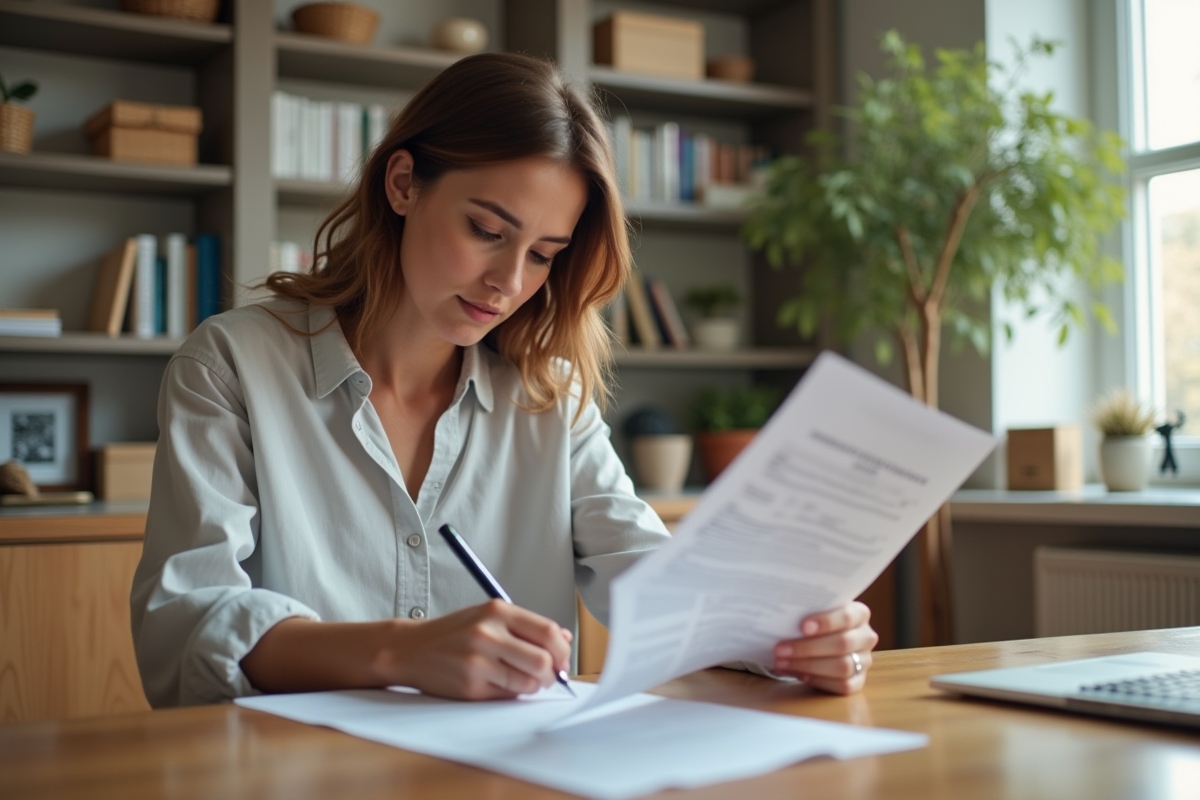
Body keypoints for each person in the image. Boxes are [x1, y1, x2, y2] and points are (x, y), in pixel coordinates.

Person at [130, 52, 878, 708]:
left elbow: (653, 580)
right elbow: (187, 625)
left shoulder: (550, 397)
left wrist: (787, 634)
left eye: (545, 253)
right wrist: (400, 652)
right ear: (402, 183)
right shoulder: (231, 364)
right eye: (487, 231)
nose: (508, 281)